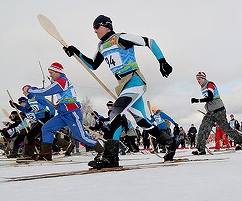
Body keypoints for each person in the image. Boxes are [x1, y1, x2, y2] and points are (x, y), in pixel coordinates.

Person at [62, 14, 176, 167]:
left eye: (97, 27)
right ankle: (170, 142)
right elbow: (93, 65)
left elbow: (149, 42)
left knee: (115, 112)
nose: (95, 31)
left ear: (106, 25)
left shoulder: (120, 38)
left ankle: (111, 157)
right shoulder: (101, 46)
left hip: (134, 80)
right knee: (142, 121)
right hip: (123, 85)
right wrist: (76, 52)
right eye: (93, 29)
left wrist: (162, 61)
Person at [24, 62, 104, 161]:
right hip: (63, 113)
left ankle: (102, 151)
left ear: (57, 72)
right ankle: (46, 154)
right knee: (47, 128)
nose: (50, 75)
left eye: (51, 73)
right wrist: (60, 105)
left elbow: (45, 91)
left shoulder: (62, 81)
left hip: (72, 113)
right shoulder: (60, 82)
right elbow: (66, 96)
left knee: (81, 136)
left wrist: (30, 89)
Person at [190, 72, 242, 155]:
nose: (198, 81)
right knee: (203, 128)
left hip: (219, 110)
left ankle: (240, 141)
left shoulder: (210, 84)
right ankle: (200, 149)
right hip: (210, 112)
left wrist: (197, 100)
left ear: (204, 78)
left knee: (226, 128)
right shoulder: (202, 88)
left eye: (200, 79)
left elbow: (210, 97)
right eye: (197, 79)